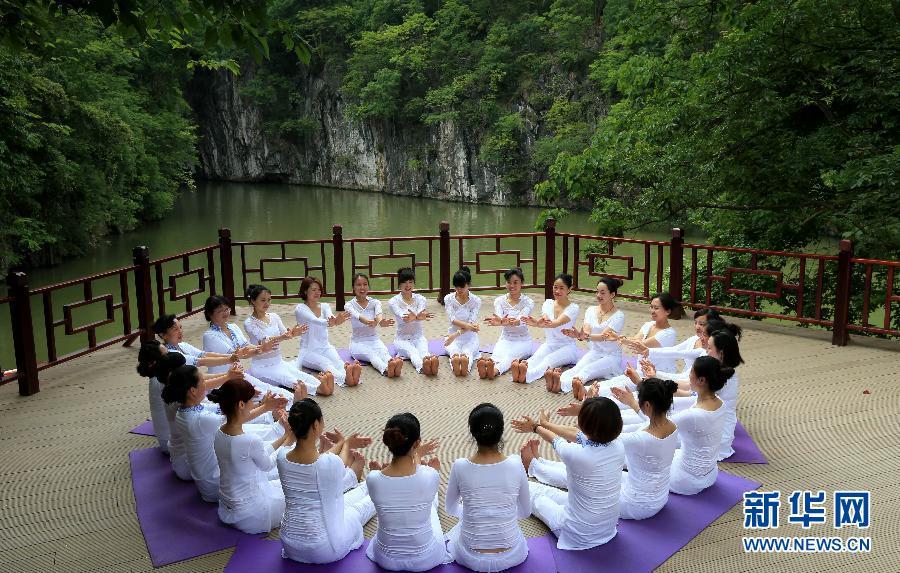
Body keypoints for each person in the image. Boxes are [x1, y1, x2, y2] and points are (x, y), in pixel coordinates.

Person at [545, 379, 680, 520]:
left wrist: (586, 410)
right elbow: (649, 418)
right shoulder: (672, 426)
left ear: (647, 405)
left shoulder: (640, 438)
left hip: (636, 505)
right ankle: (542, 464)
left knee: (585, 477)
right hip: (659, 498)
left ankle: (536, 466)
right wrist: (632, 402)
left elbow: (595, 435)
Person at [512, 398, 624, 550]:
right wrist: (545, 424)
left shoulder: (574, 453)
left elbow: (555, 439)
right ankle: (534, 465)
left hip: (575, 533)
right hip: (607, 528)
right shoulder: (618, 446)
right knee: (554, 493)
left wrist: (535, 427)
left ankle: (517, 470)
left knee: (534, 493)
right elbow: (577, 434)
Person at [162, 364, 286, 502]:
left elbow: (224, 410)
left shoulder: (183, 411)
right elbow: (238, 417)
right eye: (203, 381)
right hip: (216, 483)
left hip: (205, 479)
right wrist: (265, 406)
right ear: (192, 391)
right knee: (275, 469)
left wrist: (257, 403)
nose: (206, 384)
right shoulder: (200, 419)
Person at [614, 356, 730, 495]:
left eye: (691, 371)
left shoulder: (693, 416)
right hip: (710, 474)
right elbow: (666, 404)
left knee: (632, 457)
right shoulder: (721, 403)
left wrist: (632, 402)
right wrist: (640, 383)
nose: (689, 374)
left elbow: (656, 423)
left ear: (702, 380)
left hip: (686, 480)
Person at [278, 398, 375, 564]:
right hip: (324, 548)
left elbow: (323, 459)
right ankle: (379, 483)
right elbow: (335, 461)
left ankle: (370, 482)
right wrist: (346, 443)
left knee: (341, 500)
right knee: (357, 511)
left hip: (289, 544)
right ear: (316, 425)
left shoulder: (282, 456)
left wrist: (343, 443)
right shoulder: (327, 464)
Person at [445, 404, 530, 572]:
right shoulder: (515, 463)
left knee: (455, 530)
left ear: (472, 432)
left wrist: (476, 513)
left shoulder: (460, 466)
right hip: (512, 555)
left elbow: (450, 508)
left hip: (469, 557)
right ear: (501, 431)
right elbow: (525, 512)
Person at [366, 413, 451, 571]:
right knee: (430, 505)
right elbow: (418, 476)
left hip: (385, 558)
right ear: (417, 442)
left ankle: (390, 469)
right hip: (426, 558)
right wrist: (419, 457)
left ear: (388, 442)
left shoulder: (372, 479)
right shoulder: (430, 475)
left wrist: (417, 454)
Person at [213, 378, 295, 534]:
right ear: (241, 405)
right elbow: (268, 465)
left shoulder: (219, 432)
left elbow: (259, 452)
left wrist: (284, 437)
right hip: (252, 514)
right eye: (251, 401)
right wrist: (290, 440)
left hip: (227, 507)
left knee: (281, 484)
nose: (253, 404)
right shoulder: (250, 440)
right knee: (299, 492)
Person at [201, 295, 297, 401]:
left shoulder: (233, 327)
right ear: (210, 314)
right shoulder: (209, 335)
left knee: (271, 389)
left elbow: (246, 346)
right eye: (220, 311)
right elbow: (237, 354)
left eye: (226, 309)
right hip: (222, 382)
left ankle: (294, 400)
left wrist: (260, 347)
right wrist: (261, 349)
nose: (225, 313)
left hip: (238, 375)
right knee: (266, 396)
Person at [242, 284, 332, 396]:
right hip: (262, 367)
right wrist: (284, 336)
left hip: (279, 362)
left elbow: (286, 333)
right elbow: (265, 340)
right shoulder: (249, 323)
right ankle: (318, 390)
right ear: (253, 301)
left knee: (300, 374)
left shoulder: (274, 316)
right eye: (263, 300)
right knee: (288, 379)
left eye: (269, 300)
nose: (267, 303)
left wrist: (294, 332)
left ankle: (322, 384)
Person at [558, 277, 626, 399]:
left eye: (602, 292)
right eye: (597, 291)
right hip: (595, 352)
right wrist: (579, 335)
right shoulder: (590, 310)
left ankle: (566, 386)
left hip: (611, 356)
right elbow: (586, 330)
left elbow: (603, 336)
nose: (598, 295)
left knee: (587, 370)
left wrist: (584, 336)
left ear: (612, 294)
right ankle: (557, 380)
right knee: (578, 367)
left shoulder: (619, 315)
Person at [520, 274, 580, 388]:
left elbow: (555, 323)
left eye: (561, 288)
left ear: (569, 289)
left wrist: (538, 324)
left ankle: (527, 376)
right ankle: (519, 371)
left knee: (548, 360)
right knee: (535, 358)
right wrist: (537, 323)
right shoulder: (548, 303)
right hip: (550, 344)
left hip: (567, 347)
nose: (557, 291)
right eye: (555, 287)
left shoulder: (573, 308)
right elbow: (546, 320)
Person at [294, 277, 356, 387]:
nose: (317, 292)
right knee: (325, 363)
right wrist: (334, 322)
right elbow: (315, 320)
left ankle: (350, 373)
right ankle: (345, 378)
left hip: (325, 347)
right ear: (305, 291)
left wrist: (335, 321)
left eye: (318, 289)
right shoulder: (300, 309)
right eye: (313, 290)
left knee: (338, 361)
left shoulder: (325, 306)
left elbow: (330, 318)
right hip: (308, 352)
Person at [480, 268, 535, 381]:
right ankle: (486, 367)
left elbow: (522, 318)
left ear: (522, 284)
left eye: (515, 282)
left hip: (522, 341)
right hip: (505, 338)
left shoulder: (528, 302)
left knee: (509, 358)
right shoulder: (499, 300)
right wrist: (499, 321)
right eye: (509, 282)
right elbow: (499, 316)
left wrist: (515, 321)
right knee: (496, 356)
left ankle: (494, 371)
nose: (512, 285)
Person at [346, 274, 404, 377]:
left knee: (384, 353)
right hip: (357, 343)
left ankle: (394, 365)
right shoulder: (349, 305)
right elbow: (358, 316)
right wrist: (368, 321)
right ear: (353, 288)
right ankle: (386, 369)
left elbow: (378, 314)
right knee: (372, 355)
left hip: (374, 340)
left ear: (368, 286)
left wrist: (380, 321)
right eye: (358, 285)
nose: (362, 287)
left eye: (365, 284)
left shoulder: (375, 302)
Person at [153, 314, 255, 368]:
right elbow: (201, 362)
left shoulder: (183, 345)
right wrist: (231, 358)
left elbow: (204, 355)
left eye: (180, 327)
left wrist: (232, 356)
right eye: (175, 329)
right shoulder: (170, 353)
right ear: (163, 335)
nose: (180, 332)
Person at [388, 268, 439, 375]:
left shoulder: (421, 299)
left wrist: (416, 317)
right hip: (402, 340)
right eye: (404, 282)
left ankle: (430, 364)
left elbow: (420, 313)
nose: (408, 285)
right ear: (399, 285)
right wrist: (418, 317)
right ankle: (422, 368)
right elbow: (404, 317)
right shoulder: (393, 302)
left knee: (424, 352)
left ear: (414, 284)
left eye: (410, 282)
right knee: (413, 353)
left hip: (419, 337)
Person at [616, 292, 680, 372]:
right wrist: (620, 337)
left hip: (657, 375)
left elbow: (640, 344)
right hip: (642, 370)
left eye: (656, 308)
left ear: (667, 311)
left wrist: (619, 339)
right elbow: (636, 339)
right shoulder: (649, 325)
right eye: (651, 307)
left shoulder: (669, 334)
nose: (652, 311)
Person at [443, 266, 482, 377]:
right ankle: (456, 366)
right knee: (454, 353)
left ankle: (465, 367)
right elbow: (452, 320)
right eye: (456, 286)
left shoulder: (476, 301)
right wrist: (470, 326)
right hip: (452, 338)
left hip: (469, 337)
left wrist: (456, 334)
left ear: (468, 284)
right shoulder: (448, 298)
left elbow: (471, 321)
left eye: (462, 286)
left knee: (467, 353)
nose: (459, 290)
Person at [137, 341, 171, 453]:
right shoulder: (160, 382)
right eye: (165, 356)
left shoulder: (158, 377)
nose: (169, 357)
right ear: (153, 363)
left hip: (169, 438)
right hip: (170, 443)